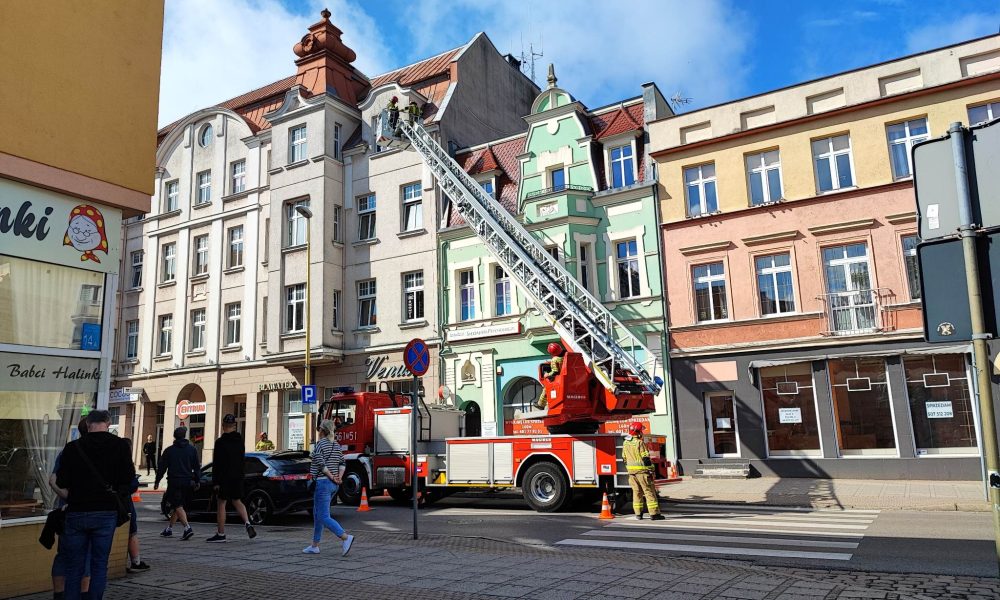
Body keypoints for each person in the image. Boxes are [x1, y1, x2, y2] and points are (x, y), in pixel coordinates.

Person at [56, 410, 135, 600]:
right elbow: (128, 479)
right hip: (105, 512)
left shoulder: (73, 447)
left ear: (88, 424)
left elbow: (61, 480)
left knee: (74, 566)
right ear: (108, 423)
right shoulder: (119, 445)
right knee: (99, 565)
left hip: (77, 511)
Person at [49, 418, 92, 600]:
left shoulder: (68, 451)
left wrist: (63, 493)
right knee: (86, 555)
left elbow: (54, 480)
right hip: (88, 511)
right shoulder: (98, 452)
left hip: (67, 510)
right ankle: (83, 594)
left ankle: (59, 594)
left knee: (64, 554)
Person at [303, 419, 354, 556]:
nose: (318, 431)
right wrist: (339, 477)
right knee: (317, 514)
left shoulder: (320, 444)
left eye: (319, 429)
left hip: (323, 483)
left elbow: (320, 463)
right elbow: (342, 463)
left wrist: (331, 476)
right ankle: (315, 545)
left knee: (323, 516)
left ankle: (345, 537)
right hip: (333, 485)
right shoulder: (336, 445)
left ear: (323, 431)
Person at [207, 414, 257, 542]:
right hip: (238, 476)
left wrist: (216, 482)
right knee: (237, 500)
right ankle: (247, 523)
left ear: (223, 426)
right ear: (234, 425)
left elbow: (217, 463)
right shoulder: (240, 441)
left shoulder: (220, 442)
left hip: (224, 477)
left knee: (221, 503)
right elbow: (242, 459)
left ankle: (221, 533)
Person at [154, 427, 199, 541]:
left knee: (177, 505)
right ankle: (169, 529)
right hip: (187, 481)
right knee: (178, 505)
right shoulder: (192, 449)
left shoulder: (169, 450)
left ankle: (187, 528)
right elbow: (196, 467)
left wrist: (157, 481)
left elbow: (162, 467)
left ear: (174, 436)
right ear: (185, 436)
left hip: (174, 481)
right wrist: (197, 480)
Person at [623, 421, 664, 521]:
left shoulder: (625, 442)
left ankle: (638, 514)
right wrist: (651, 469)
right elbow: (646, 459)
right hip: (642, 472)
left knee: (636, 493)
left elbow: (624, 458)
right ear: (638, 432)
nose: (642, 432)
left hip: (631, 473)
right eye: (641, 430)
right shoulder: (639, 443)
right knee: (649, 492)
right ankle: (654, 514)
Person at [535, 342, 565, 410]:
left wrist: (547, 374)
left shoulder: (554, 359)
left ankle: (541, 404)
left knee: (546, 388)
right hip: (563, 378)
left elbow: (555, 372)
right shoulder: (564, 357)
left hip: (557, 380)